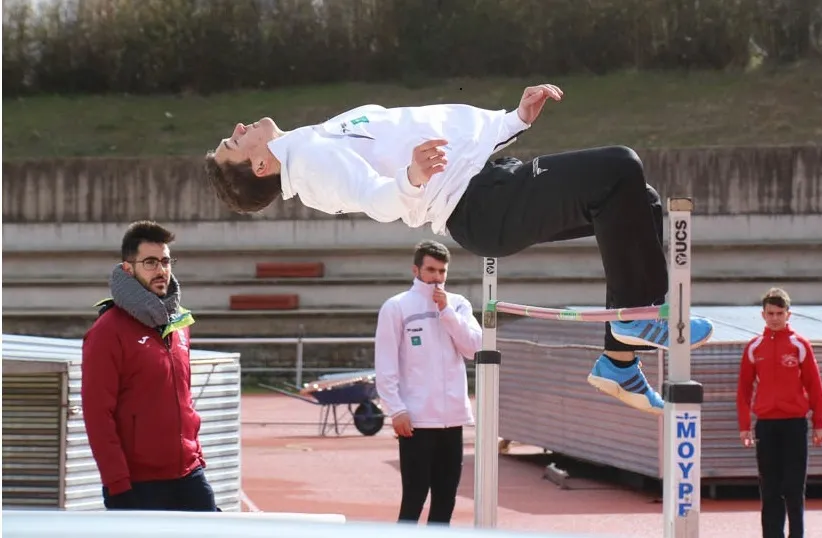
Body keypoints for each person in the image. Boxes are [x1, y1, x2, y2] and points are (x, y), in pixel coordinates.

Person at [203, 83, 715, 414]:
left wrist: (513, 120)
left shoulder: (306, 142)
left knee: (637, 201)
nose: (239, 129)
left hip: (489, 184)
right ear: (260, 167)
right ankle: (637, 319)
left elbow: (431, 127)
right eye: (234, 143)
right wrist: (413, 176)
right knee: (620, 166)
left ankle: (619, 361)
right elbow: (377, 200)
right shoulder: (308, 163)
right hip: (481, 204)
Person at [81, 220, 218, 512]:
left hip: (189, 474)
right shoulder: (107, 331)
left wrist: (196, 453)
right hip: (138, 484)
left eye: (166, 261)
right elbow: (97, 414)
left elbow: (184, 399)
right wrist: (117, 484)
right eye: (151, 262)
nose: (161, 270)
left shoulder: (179, 322)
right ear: (128, 268)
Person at [373, 240, 482, 525]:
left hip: (453, 419)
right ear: (416, 269)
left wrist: (446, 313)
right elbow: (386, 364)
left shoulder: (459, 304)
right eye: (431, 270)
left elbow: (473, 348)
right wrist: (395, 409)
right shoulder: (396, 307)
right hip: (417, 421)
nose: (436, 277)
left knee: (445, 501)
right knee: (414, 499)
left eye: (442, 271)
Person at [736, 287, 822, 538]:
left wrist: (819, 424)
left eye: (779, 313)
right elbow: (743, 390)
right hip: (766, 425)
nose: (775, 318)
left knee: (794, 488)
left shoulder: (800, 345)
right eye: (770, 313)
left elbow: (815, 387)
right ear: (762, 315)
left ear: (789, 314)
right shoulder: (755, 347)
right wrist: (745, 426)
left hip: (794, 424)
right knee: (770, 488)